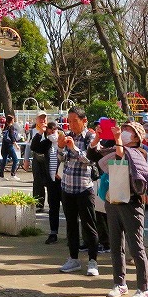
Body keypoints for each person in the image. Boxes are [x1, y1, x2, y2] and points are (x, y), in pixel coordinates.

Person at [93, 121, 148, 297]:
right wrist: (98, 136)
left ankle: (145, 288)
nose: (124, 132)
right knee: (115, 245)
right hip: (113, 200)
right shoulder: (114, 148)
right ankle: (119, 283)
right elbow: (94, 155)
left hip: (131, 203)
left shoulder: (140, 152)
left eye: (128, 131)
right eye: (123, 129)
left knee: (136, 247)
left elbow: (122, 156)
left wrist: (118, 138)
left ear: (137, 137)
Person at [57, 106, 100, 277]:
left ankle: (93, 261)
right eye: (69, 120)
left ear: (84, 121)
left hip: (84, 187)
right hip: (67, 186)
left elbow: (91, 160)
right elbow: (62, 159)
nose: (72, 124)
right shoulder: (68, 136)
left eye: (75, 121)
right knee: (71, 224)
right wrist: (60, 148)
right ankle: (73, 259)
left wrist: (74, 148)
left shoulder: (91, 137)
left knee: (89, 225)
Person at [31, 120, 61, 244]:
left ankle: (72, 234)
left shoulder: (63, 141)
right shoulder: (47, 143)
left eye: (54, 131)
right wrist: (40, 133)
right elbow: (34, 147)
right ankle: (53, 232)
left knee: (70, 208)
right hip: (51, 180)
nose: (52, 133)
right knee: (53, 207)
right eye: (49, 131)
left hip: (64, 180)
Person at [30, 111, 50, 211]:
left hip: (48, 159)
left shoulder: (52, 129)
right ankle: (38, 204)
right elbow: (29, 146)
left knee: (51, 181)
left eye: (44, 118)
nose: (42, 120)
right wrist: (25, 160)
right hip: (37, 158)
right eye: (40, 118)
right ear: (36, 120)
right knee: (37, 181)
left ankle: (53, 204)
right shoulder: (33, 131)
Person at [0, 114, 20, 180]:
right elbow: (12, 136)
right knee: (15, 160)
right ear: (11, 120)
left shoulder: (5, 127)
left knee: (4, 160)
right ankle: (12, 174)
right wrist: (16, 145)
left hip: (4, 145)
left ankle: (1, 176)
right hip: (9, 146)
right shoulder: (11, 127)